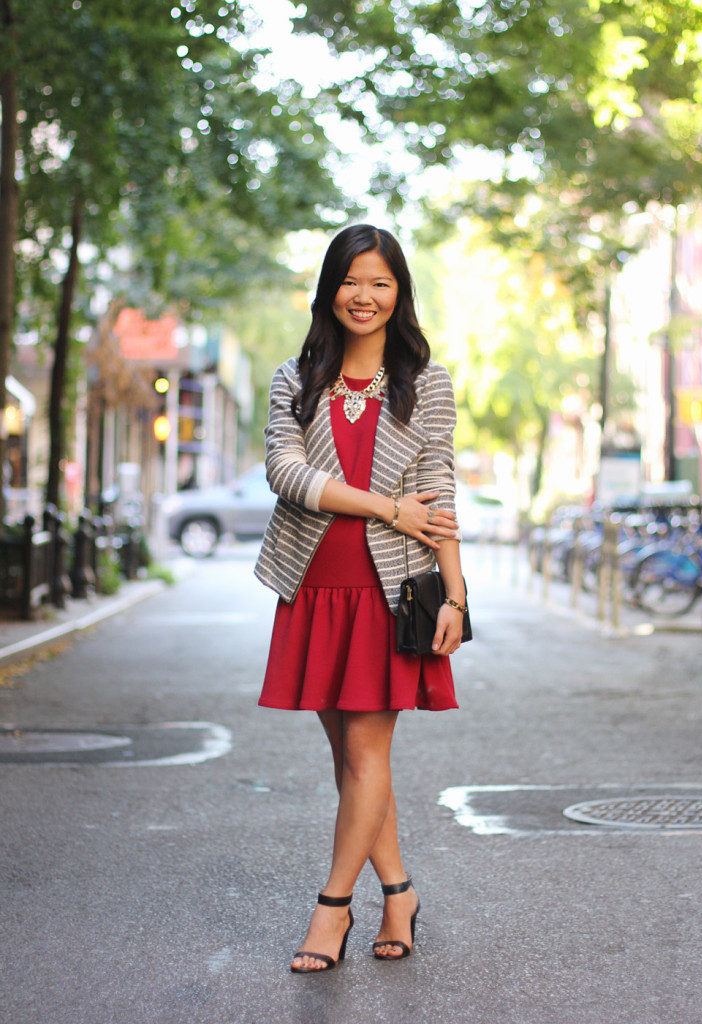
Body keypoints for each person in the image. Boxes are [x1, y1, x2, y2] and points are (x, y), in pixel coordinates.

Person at [255, 224, 466, 973]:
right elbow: (284, 473)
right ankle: (399, 891)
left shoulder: (426, 384)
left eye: (380, 282)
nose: (364, 296)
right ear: (329, 290)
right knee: (348, 756)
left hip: (390, 590)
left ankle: (332, 909)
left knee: (367, 750)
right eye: (351, 280)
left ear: (399, 294)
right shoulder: (295, 378)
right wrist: (385, 506)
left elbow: (435, 489)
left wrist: (456, 597)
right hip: (312, 586)